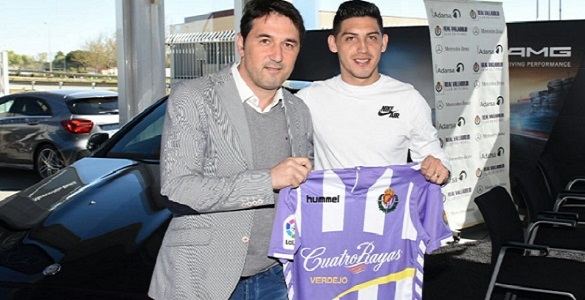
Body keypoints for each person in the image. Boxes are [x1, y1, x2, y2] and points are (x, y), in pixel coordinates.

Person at [148, 1, 312, 299]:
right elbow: (177, 190)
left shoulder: (299, 109)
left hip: (278, 277)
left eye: (289, 44)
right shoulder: (193, 97)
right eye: (265, 41)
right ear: (241, 43)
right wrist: (267, 181)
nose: (277, 55)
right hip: (204, 277)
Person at [296, 0, 451, 184]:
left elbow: (434, 155)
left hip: (389, 208)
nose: (363, 48)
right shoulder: (309, 98)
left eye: (371, 38)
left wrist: (440, 168)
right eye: (351, 38)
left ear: (383, 43)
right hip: (330, 210)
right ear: (333, 43)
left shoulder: (407, 99)